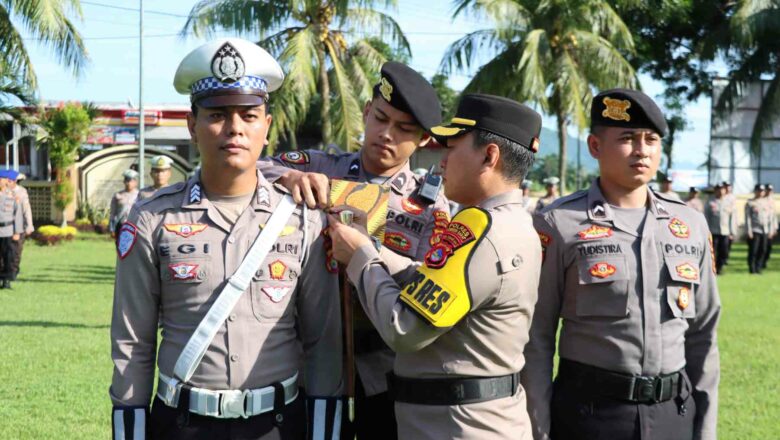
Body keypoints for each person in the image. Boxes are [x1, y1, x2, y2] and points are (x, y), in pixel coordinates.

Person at [110, 38, 343, 440]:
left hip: (277, 425)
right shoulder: (152, 217)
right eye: (217, 114)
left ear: (266, 127)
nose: (234, 128)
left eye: (249, 115)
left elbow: (323, 342)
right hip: (183, 424)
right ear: (191, 125)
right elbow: (133, 342)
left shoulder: (303, 217)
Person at [328, 93, 543, 439]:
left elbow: (404, 327)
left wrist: (359, 258)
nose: (441, 163)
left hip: (459, 427)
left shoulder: (478, 230)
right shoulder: (513, 224)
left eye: (452, 149)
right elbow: (430, 283)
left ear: (489, 156)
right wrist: (374, 249)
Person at [258, 61, 450, 440]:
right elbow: (252, 169)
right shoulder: (320, 166)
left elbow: (430, 278)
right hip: (308, 360)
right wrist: (291, 177)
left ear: (425, 140)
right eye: (380, 118)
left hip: (386, 369)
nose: (386, 134)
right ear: (365, 111)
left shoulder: (430, 204)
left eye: (404, 129)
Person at [524, 88, 721, 440]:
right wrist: (539, 430)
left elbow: (703, 335)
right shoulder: (560, 224)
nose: (642, 150)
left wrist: (704, 428)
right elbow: (536, 338)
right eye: (628, 138)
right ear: (595, 147)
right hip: (591, 415)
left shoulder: (689, 225)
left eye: (651, 139)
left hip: (672, 413)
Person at [704, 183, 736, 274]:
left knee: (724, 251)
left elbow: (732, 218)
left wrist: (732, 232)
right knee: (713, 251)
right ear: (715, 191)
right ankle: (713, 269)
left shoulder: (729, 202)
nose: (721, 191)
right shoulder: (710, 202)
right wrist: (706, 231)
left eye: (722, 189)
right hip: (713, 231)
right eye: (718, 189)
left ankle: (720, 267)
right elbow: (706, 217)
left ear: (725, 190)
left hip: (725, 231)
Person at [8, 171, 33, 280]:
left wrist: (29, 225)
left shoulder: (22, 192)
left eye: (8, 180)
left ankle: (14, 271)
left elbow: (26, 210)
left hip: (18, 226)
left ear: (13, 181)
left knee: (16, 250)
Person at [0, 169, 22, 289]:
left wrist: (17, 231)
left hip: (8, 229)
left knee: (8, 256)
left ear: (6, 181)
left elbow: (17, 215)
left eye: (1, 179)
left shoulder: (12, 196)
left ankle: (6, 280)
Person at [745, 183, 770, 274]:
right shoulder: (750, 202)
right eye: (759, 191)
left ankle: (759, 267)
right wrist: (749, 230)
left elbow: (769, 217)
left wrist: (771, 229)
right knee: (753, 250)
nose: (760, 193)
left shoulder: (766, 202)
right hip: (755, 229)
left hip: (765, 229)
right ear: (755, 191)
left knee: (763, 249)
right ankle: (752, 268)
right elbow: (747, 217)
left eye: (762, 191)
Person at [109, 169, 139, 238]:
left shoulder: (140, 195)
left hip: (135, 226)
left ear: (135, 182)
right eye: (126, 181)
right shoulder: (118, 195)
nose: (128, 183)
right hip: (121, 225)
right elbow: (112, 213)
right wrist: (112, 229)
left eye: (131, 181)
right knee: (121, 247)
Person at [761, 183, 777, 269]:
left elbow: (773, 216)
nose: (769, 192)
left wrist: (775, 228)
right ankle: (761, 262)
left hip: (770, 228)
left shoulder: (772, 200)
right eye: (768, 190)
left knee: (769, 247)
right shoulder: (761, 200)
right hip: (763, 228)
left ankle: (765, 260)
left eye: (771, 190)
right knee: (763, 247)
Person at [721, 181, 736, 265]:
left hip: (731, 223)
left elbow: (733, 213)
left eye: (728, 186)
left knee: (728, 244)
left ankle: (725, 258)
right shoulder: (721, 197)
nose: (727, 188)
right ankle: (722, 259)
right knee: (723, 245)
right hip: (723, 224)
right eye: (725, 186)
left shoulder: (732, 197)